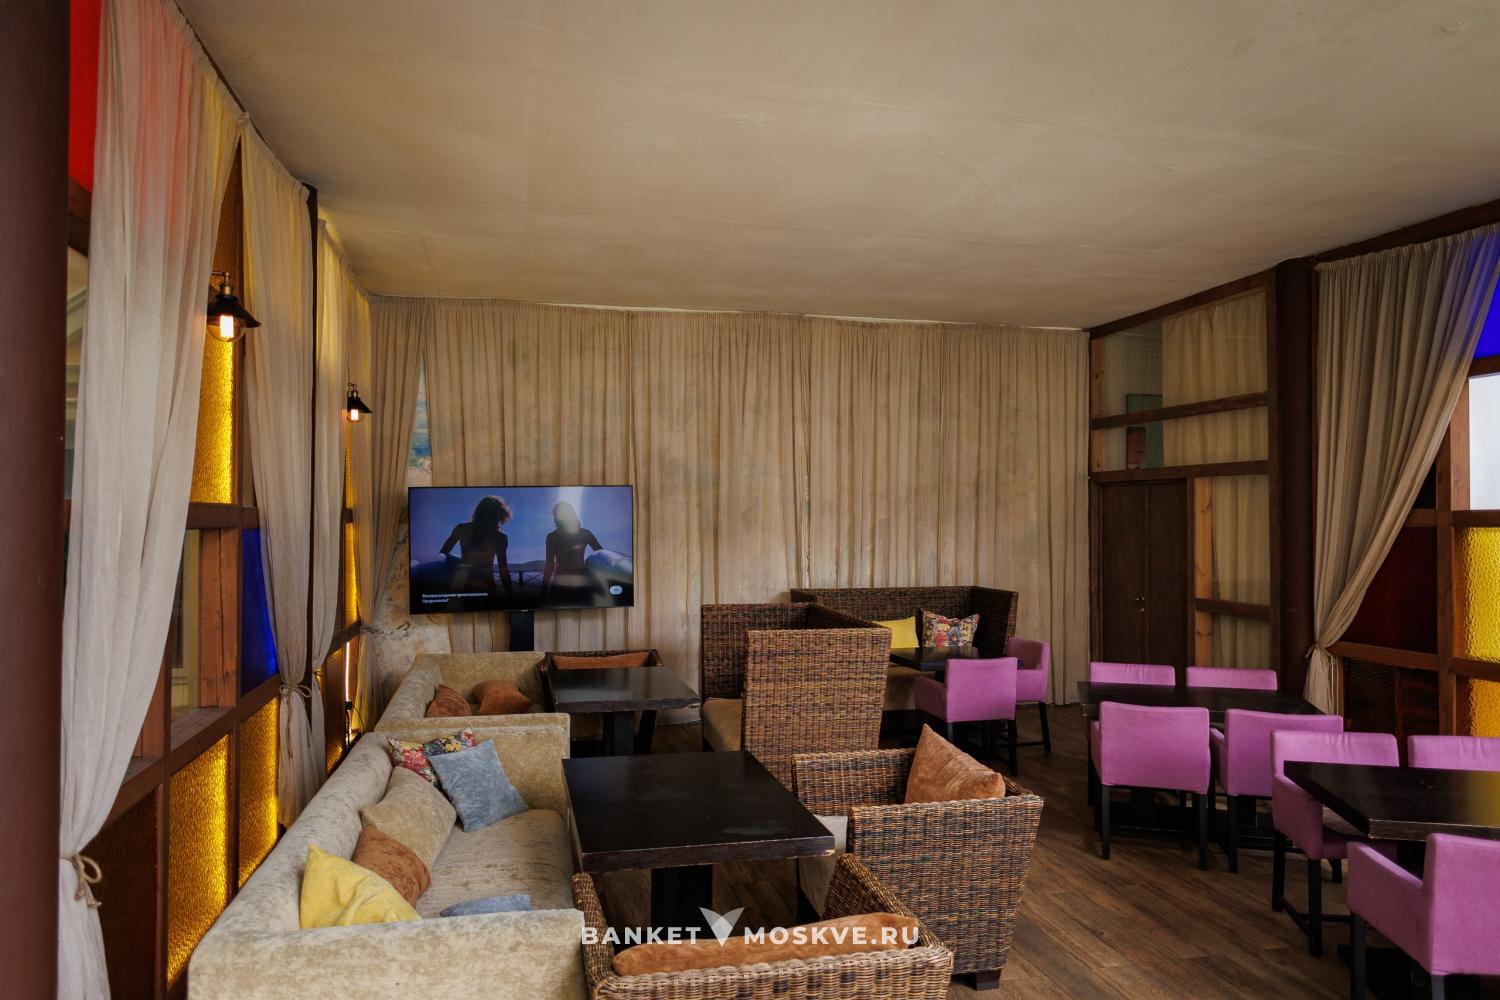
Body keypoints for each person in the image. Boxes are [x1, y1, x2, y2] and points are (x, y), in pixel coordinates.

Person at [438, 495, 514, 601]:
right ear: (498, 515)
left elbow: (441, 557)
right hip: (484, 589)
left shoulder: (462, 529)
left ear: (478, 512)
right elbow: (503, 570)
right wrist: (511, 598)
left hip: (464, 587)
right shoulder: (499, 537)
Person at [542, 500, 602, 604]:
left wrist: (543, 592)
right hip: (580, 581)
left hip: (561, 583)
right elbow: (601, 556)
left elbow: (549, 565)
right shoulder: (585, 533)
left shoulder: (552, 536)